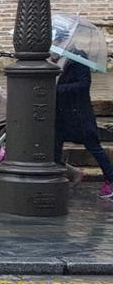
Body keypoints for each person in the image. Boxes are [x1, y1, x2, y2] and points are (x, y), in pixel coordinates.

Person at [55, 53, 113, 199]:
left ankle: (111, 180)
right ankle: (68, 175)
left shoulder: (77, 58)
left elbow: (84, 84)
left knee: (94, 147)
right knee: (53, 148)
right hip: (59, 115)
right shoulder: (49, 60)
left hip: (78, 114)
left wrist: (58, 89)